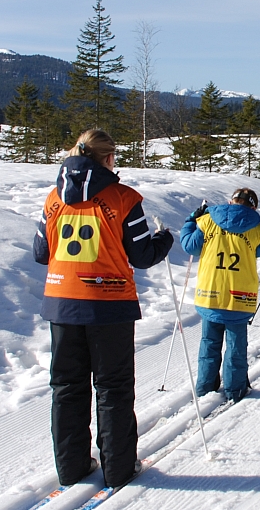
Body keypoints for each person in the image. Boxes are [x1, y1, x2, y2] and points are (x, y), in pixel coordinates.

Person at [33, 129, 174, 489]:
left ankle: (72, 466)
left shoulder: (53, 198)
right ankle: (119, 467)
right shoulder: (124, 198)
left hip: (62, 303)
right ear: (109, 158)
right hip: (108, 303)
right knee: (113, 387)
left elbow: (40, 253)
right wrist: (165, 239)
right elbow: (143, 255)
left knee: (67, 386)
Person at [179, 188, 260, 399]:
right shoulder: (256, 230)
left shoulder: (208, 221)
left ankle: (205, 387)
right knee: (236, 347)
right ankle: (235, 388)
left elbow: (189, 246)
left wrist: (191, 219)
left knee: (209, 344)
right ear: (253, 207)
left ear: (231, 202)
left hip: (209, 293)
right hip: (240, 298)